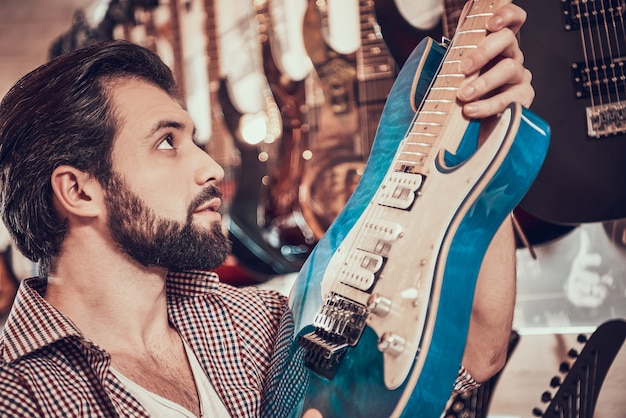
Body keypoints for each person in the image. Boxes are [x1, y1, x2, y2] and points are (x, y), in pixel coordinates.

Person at [0, 2, 534, 417]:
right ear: (79, 191)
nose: (211, 168)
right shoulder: (20, 394)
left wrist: (482, 139)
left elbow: (468, 350)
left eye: (194, 140)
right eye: (167, 143)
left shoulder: (259, 325)